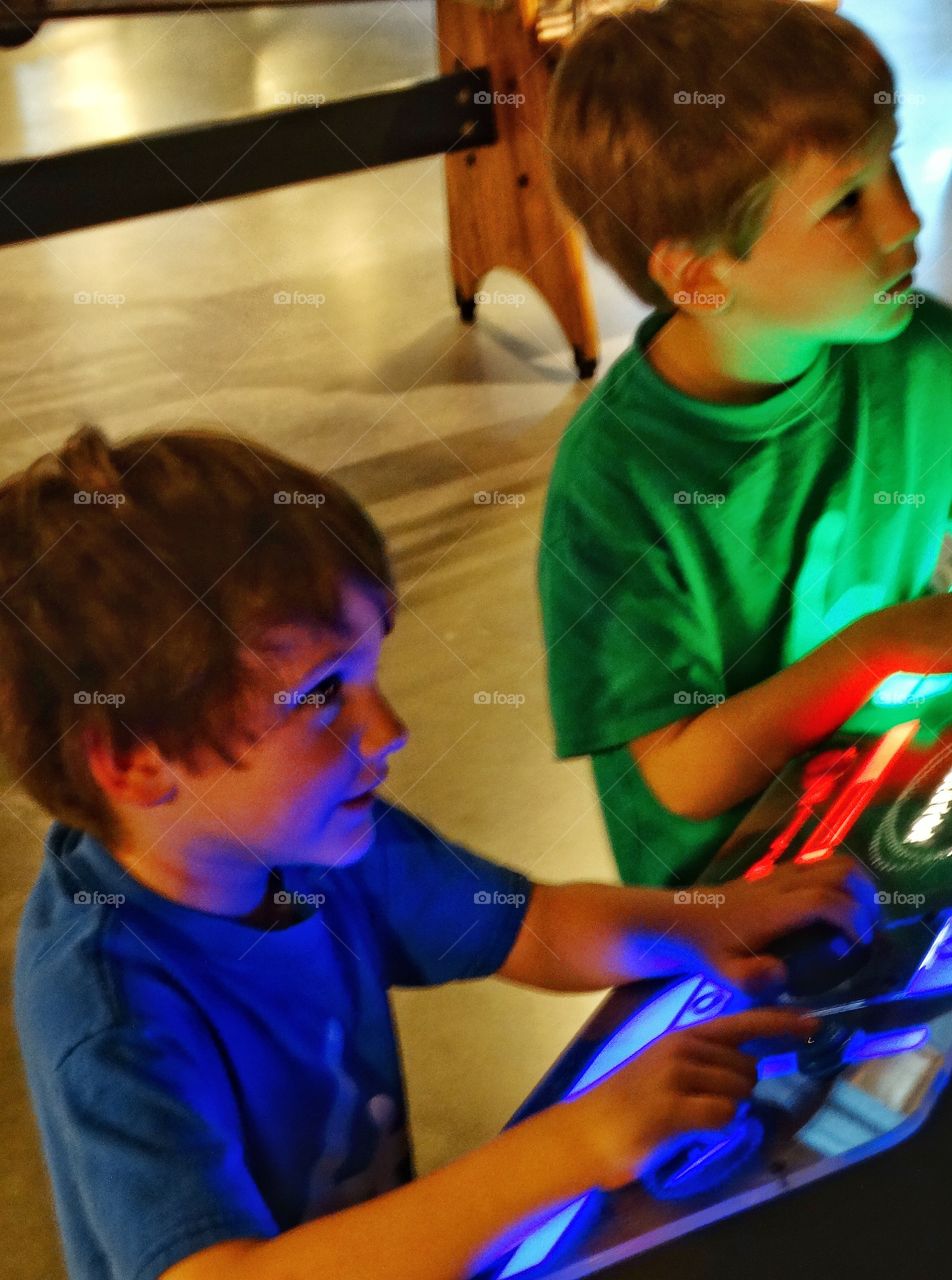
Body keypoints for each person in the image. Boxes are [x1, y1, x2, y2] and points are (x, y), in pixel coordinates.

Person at [8, 424, 874, 1280]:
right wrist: (573, 1145)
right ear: (132, 758)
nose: (389, 730)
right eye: (320, 695)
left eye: (369, 676)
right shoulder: (109, 1011)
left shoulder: (317, 841)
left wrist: (707, 918)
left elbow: (530, 926)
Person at [537, 0, 952, 887]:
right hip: (745, 887)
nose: (905, 222)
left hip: (909, 797)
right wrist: (879, 647)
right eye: (847, 203)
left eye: (892, 171)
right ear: (697, 273)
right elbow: (685, 776)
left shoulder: (918, 352)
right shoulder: (615, 482)